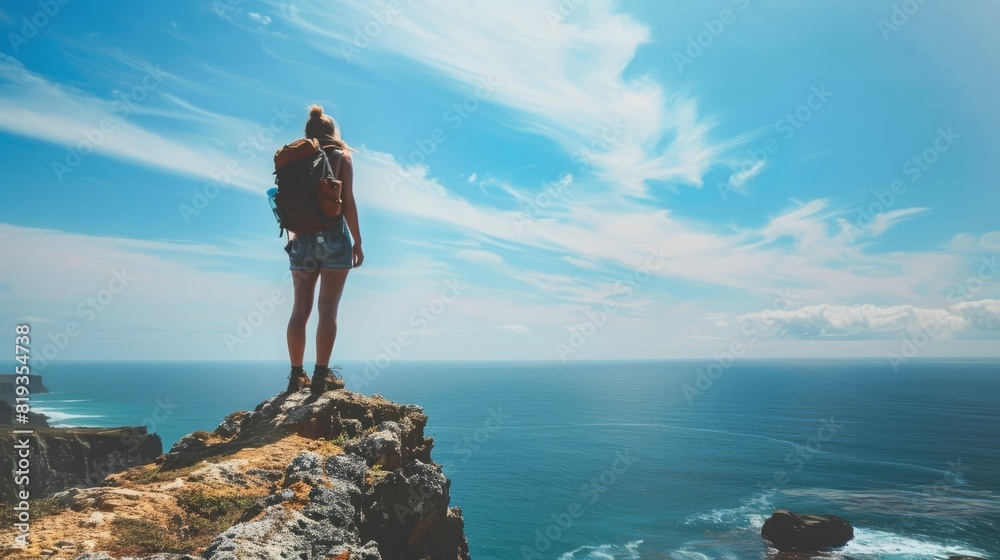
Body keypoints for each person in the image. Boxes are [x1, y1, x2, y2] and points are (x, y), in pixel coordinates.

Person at [284, 105, 364, 394]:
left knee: (299, 311)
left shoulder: (293, 161)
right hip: (333, 238)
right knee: (327, 310)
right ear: (333, 133)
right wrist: (358, 242)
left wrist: (296, 237)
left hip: (300, 240)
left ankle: (296, 376)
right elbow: (349, 204)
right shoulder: (341, 157)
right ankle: (321, 375)